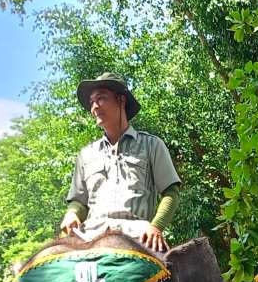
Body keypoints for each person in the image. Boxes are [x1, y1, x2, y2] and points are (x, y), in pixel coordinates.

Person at [61, 72, 181, 254]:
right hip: (91, 238)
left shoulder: (152, 145)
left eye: (101, 98)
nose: (94, 107)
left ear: (121, 100)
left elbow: (171, 192)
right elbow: (79, 202)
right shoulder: (86, 155)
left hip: (138, 238)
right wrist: (72, 214)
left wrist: (156, 227)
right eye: (92, 102)